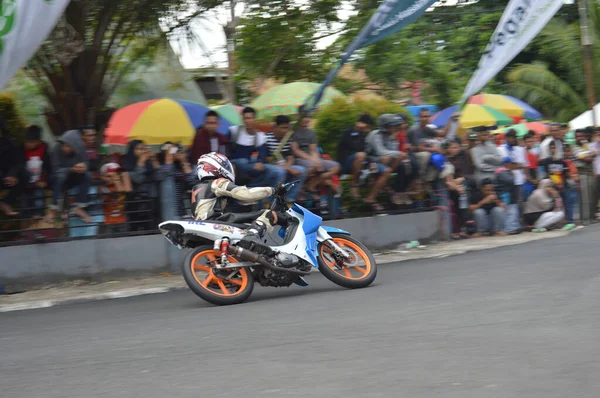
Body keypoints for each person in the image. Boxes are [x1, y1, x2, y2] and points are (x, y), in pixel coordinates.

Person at [192, 152, 294, 260]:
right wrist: (273, 190)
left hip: (205, 225)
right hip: (215, 221)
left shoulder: (197, 188)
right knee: (267, 214)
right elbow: (246, 194)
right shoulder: (217, 182)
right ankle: (252, 239)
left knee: (247, 220)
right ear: (217, 166)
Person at [229, 107, 285, 188]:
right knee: (242, 161)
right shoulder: (234, 131)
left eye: (250, 118)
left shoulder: (260, 135)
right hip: (234, 163)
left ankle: (269, 197)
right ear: (242, 120)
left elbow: (262, 152)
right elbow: (224, 148)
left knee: (279, 171)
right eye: (245, 118)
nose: (247, 121)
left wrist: (260, 162)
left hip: (250, 164)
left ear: (255, 119)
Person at [292, 111, 340, 200]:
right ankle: (299, 188)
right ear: (298, 117)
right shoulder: (293, 132)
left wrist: (317, 161)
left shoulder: (311, 133)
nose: (306, 119)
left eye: (308, 117)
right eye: (304, 117)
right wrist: (313, 161)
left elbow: (313, 150)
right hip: (299, 159)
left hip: (311, 159)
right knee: (311, 167)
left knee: (335, 166)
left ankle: (310, 185)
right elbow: (296, 150)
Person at [46, 130, 92, 223]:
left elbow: (87, 163)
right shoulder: (57, 149)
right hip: (55, 179)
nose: (64, 148)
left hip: (70, 178)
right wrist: (71, 169)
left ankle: (79, 207)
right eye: (64, 145)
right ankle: (53, 210)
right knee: (61, 176)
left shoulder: (80, 148)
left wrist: (83, 167)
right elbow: (55, 170)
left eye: (67, 146)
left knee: (87, 176)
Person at [365, 114, 411, 205]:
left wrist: (398, 153)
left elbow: (394, 151)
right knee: (387, 165)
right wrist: (398, 153)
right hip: (371, 160)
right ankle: (371, 197)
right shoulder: (375, 134)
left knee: (404, 166)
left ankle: (398, 191)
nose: (396, 128)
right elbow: (380, 152)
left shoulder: (391, 136)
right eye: (394, 126)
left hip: (385, 160)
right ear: (386, 126)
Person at [123, 140, 165, 231]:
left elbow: (160, 177)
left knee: (152, 228)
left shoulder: (149, 163)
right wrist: (141, 162)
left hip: (153, 200)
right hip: (136, 203)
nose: (142, 151)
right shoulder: (128, 165)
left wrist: (154, 160)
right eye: (138, 149)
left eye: (143, 148)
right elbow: (138, 179)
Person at [265, 115, 306, 205]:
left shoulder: (287, 139)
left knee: (301, 170)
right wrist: (288, 169)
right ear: (275, 127)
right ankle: (271, 201)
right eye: (283, 128)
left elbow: (290, 157)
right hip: (269, 167)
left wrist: (288, 166)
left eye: (287, 128)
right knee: (280, 172)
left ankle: (289, 200)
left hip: (283, 165)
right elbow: (267, 160)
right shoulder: (266, 138)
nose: (285, 130)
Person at [338, 114, 375, 199]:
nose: (368, 130)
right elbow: (355, 148)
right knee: (360, 155)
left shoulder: (363, 135)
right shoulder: (347, 132)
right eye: (368, 127)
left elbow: (367, 151)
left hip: (360, 162)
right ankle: (354, 184)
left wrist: (371, 162)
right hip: (345, 162)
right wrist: (358, 129)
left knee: (373, 163)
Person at [20, 125, 52, 218]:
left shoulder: (45, 150)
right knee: (25, 203)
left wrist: (44, 181)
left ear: (39, 141)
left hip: (40, 183)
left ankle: (39, 217)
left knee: (39, 199)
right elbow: (19, 166)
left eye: (31, 142)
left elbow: (48, 167)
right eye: (27, 142)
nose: (28, 144)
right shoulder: (21, 149)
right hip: (25, 183)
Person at [99, 162, 132, 234]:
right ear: (102, 177)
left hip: (122, 220)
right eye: (109, 176)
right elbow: (118, 191)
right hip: (108, 222)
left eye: (116, 175)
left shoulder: (122, 185)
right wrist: (116, 180)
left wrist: (123, 175)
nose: (113, 178)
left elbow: (128, 190)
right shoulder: (102, 187)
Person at [0, 116, 22, 216]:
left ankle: (7, 203)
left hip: (7, 177)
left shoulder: (9, 143)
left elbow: (17, 162)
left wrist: (12, 175)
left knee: (24, 174)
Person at [562, 144, 579, 229]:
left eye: (568, 151)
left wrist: (577, 181)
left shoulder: (572, 161)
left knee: (573, 203)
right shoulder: (563, 162)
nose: (567, 153)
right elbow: (567, 173)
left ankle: (573, 219)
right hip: (568, 185)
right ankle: (570, 220)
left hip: (574, 184)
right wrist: (573, 177)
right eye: (565, 151)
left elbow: (575, 171)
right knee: (568, 203)